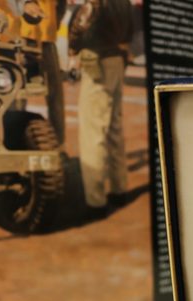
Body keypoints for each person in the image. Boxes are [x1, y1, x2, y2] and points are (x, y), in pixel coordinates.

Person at [68, 0, 133, 220]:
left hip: (97, 61)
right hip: (116, 59)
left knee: (93, 131)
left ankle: (95, 202)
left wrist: (73, 48)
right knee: (114, 126)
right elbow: (130, 32)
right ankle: (119, 189)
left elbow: (81, 23)